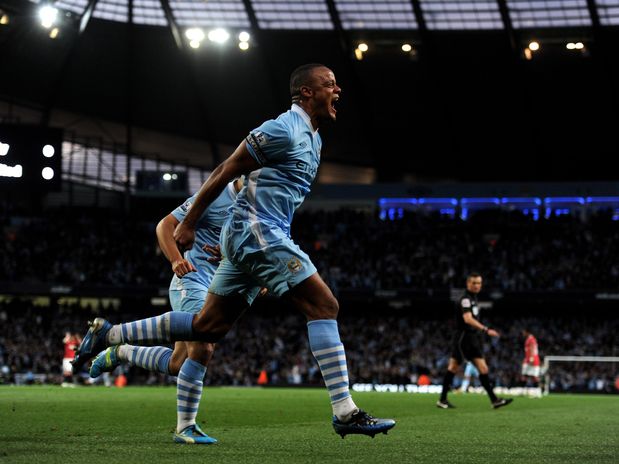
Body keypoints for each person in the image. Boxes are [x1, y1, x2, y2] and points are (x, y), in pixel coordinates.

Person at [74, 63, 395, 439]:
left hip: (254, 239)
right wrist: (191, 221)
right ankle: (345, 410)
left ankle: (111, 337)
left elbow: (279, 201)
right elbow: (226, 169)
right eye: (329, 84)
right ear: (306, 92)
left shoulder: (314, 140)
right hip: (254, 232)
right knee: (324, 306)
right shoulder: (281, 129)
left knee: (207, 329)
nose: (337, 90)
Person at [88, 178, 243, 444]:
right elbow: (165, 225)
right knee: (203, 346)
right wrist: (176, 259)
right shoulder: (216, 194)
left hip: (216, 290)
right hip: (191, 280)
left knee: (177, 364)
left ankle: (120, 350)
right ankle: (186, 427)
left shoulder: (257, 208)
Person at [436, 272, 513, 409]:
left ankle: (494, 400)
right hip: (463, 338)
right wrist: (485, 329)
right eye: (474, 283)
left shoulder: (473, 298)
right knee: (453, 368)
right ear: (468, 284)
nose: (477, 285)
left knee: (483, 368)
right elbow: (467, 319)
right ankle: (442, 400)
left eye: (479, 283)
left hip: (472, 339)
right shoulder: (465, 299)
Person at [521, 328, 541, 397]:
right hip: (528, 359)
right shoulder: (529, 339)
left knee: (534, 376)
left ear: (527, 332)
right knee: (525, 375)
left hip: (532, 359)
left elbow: (532, 348)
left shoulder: (531, 339)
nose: (522, 333)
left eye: (523, 332)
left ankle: (538, 392)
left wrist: (531, 358)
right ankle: (523, 391)